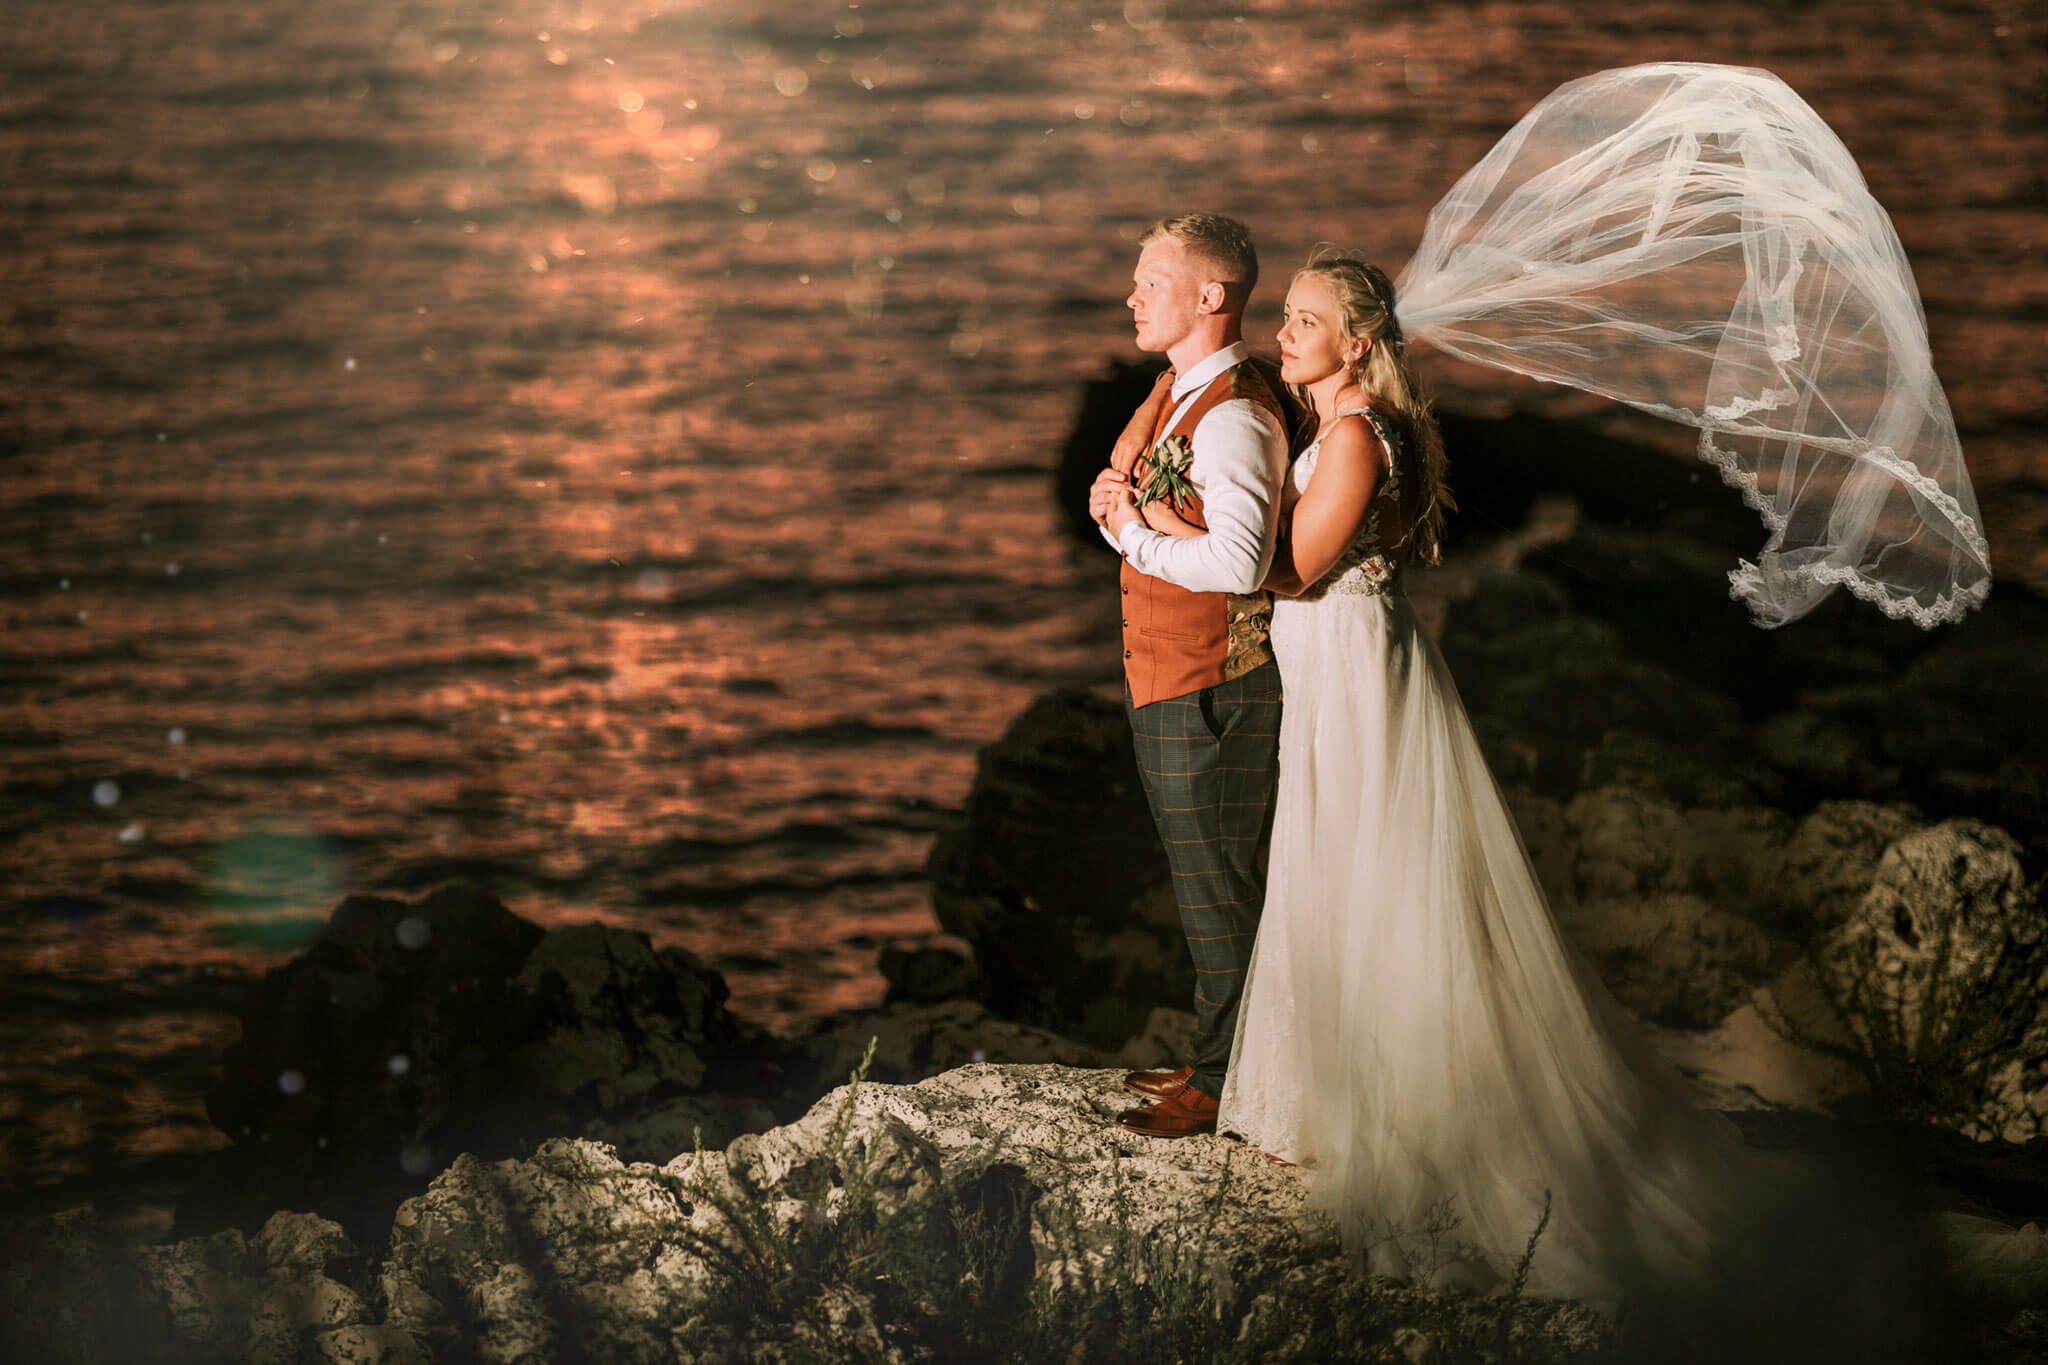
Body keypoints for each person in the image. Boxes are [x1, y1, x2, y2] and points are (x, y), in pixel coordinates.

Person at [1084, 214, 1292, 1140]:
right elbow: (1130, 493)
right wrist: (1117, 509)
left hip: (1211, 682)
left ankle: (1224, 1080)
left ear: (1210, 296)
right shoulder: (1180, 387)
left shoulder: (1237, 413)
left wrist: (1130, 531)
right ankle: (1224, 1055)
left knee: (1218, 884)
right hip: (1172, 674)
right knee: (1205, 876)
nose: (1132, 296)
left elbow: (1242, 563)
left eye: (1151, 280)